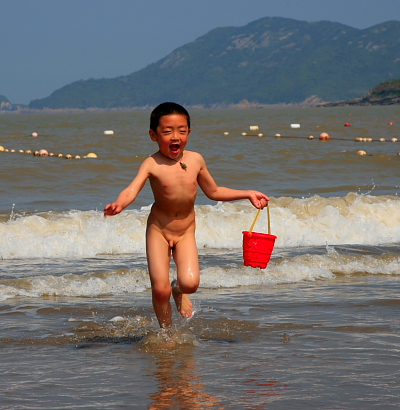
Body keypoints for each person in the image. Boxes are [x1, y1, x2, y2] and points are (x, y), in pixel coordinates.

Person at [104, 102, 269, 330]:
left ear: (189, 132)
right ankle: (167, 333)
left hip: (185, 231)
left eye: (182, 131)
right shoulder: (152, 163)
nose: (175, 137)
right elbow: (132, 189)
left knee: (190, 284)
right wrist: (119, 204)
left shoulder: (196, 160)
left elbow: (214, 191)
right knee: (159, 289)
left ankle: (178, 290)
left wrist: (247, 193)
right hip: (158, 231)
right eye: (167, 131)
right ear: (153, 135)